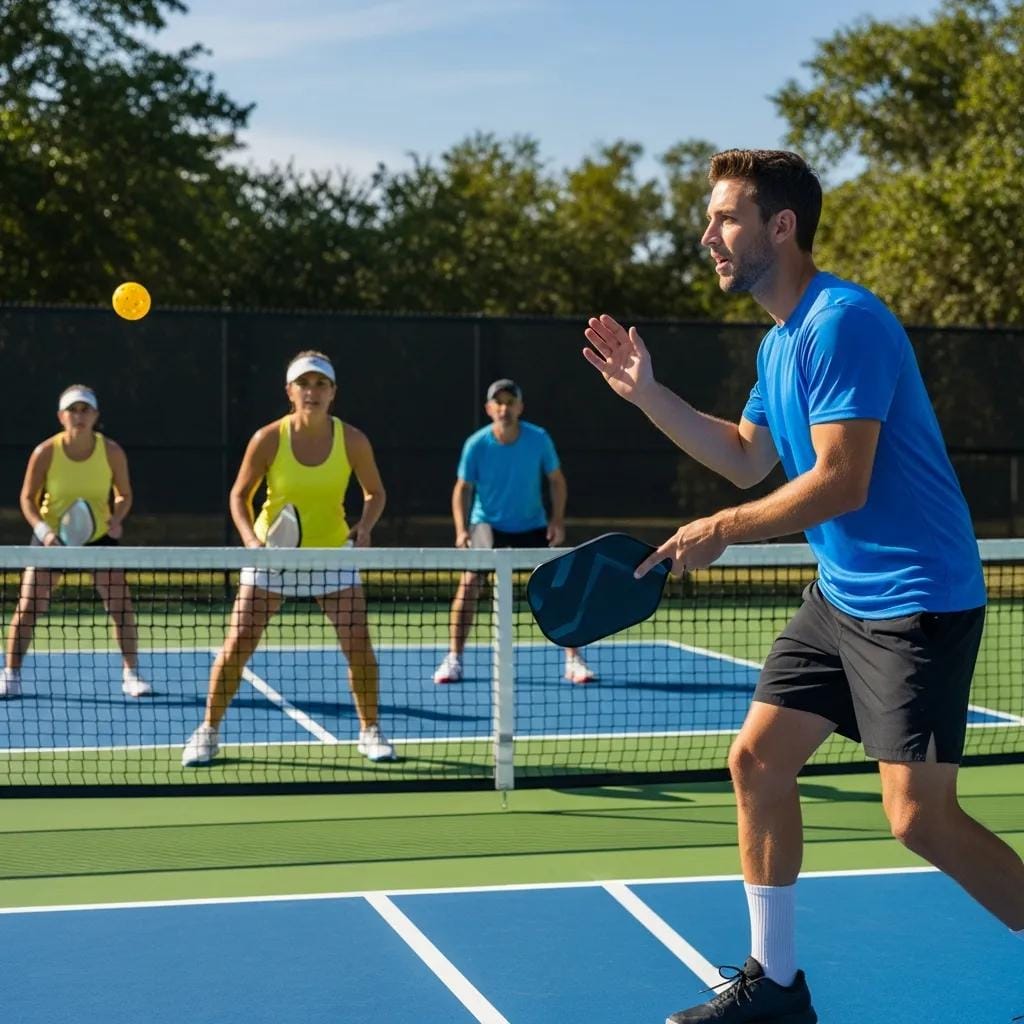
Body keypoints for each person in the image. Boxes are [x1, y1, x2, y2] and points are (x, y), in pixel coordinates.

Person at [583, 149, 1024, 1024]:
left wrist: (719, 529)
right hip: (842, 596)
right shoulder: (782, 342)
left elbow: (841, 480)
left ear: (780, 227)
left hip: (916, 600)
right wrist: (649, 395)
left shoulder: (842, 321)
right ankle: (777, 987)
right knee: (756, 759)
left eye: (725, 218)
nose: (707, 234)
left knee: (919, 821)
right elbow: (747, 456)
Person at [181, 351, 396, 766]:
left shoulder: (353, 440)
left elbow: (376, 493)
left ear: (333, 393)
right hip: (272, 556)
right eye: (303, 384)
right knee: (238, 645)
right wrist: (250, 540)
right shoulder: (268, 439)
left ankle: (370, 730)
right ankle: (207, 731)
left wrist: (365, 526)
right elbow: (239, 495)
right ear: (289, 391)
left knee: (359, 647)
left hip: (332, 555)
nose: (311, 392)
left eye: (320, 384)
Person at [433, 378, 595, 685]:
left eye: (510, 402)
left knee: (559, 585)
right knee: (468, 586)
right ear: (489, 408)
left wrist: (557, 521)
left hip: (531, 525)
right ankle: (453, 659)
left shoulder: (539, 439)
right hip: (487, 526)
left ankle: (573, 659)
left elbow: (557, 480)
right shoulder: (476, 444)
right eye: (499, 402)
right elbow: (462, 489)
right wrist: (461, 530)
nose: (504, 407)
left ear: (520, 407)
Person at [0, 385, 152, 700]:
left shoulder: (111, 452)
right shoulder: (45, 453)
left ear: (95, 415)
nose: (79, 416)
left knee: (121, 607)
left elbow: (124, 494)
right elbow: (28, 498)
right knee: (29, 606)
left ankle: (131, 674)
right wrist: (44, 532)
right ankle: (11, 674)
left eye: (85, 410)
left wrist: (116, 517)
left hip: (99, 538)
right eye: (73, 410)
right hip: (51, 539)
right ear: (61, 416)